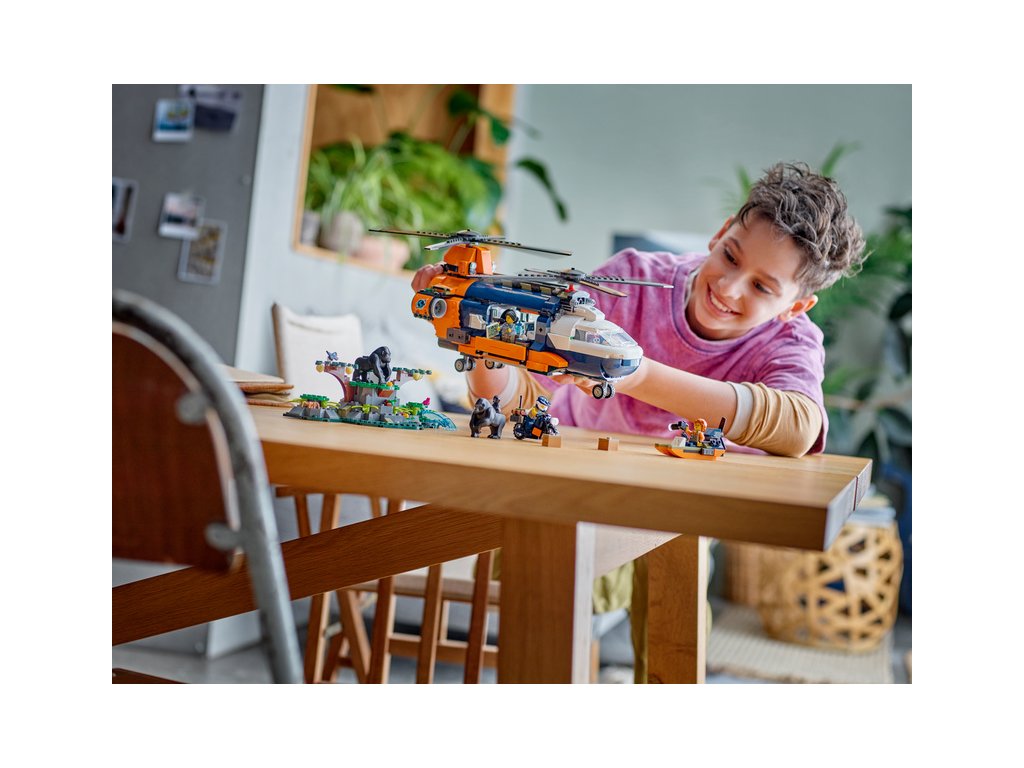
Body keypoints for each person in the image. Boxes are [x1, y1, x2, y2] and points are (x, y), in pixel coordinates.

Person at [411, 162, 867, 680]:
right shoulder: (632, 277)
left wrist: (635, 374)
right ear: (720, 233)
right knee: (539, 566)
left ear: (796, 306)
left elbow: (799, 426)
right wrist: (480, 344)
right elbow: (518, 405)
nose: (729, 287)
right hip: (582, 488)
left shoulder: (790, 342)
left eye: (762, 287)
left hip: (684, 511)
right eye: (730, 256)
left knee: (674, 592)